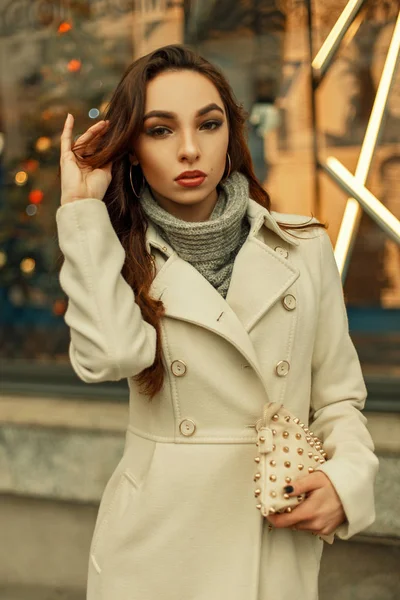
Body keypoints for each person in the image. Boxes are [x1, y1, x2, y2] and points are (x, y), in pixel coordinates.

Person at [56, 44, 378, 600]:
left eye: (209, 124)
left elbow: (337, 400)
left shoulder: (302, 246)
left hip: (271, 534)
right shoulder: (117, 255)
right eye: (160, 130)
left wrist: (344, 482)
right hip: (157, 550)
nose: (189, 149)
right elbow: (110, 357)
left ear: (230, 133)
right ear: (129, 148)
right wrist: (83, 210)